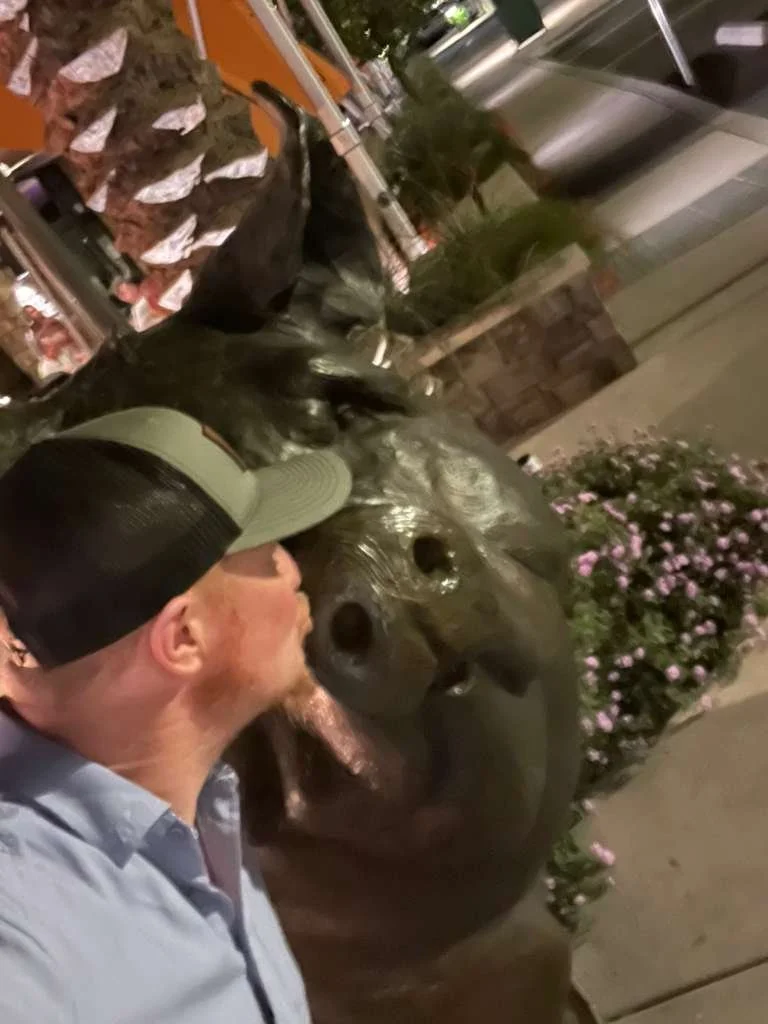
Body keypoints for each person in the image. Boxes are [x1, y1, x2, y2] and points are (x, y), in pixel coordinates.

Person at [0, 406, 352, 1023]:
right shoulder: (27, 950)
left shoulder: (193, 812)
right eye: (266, 554)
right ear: (183, 636)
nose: (294, 571)